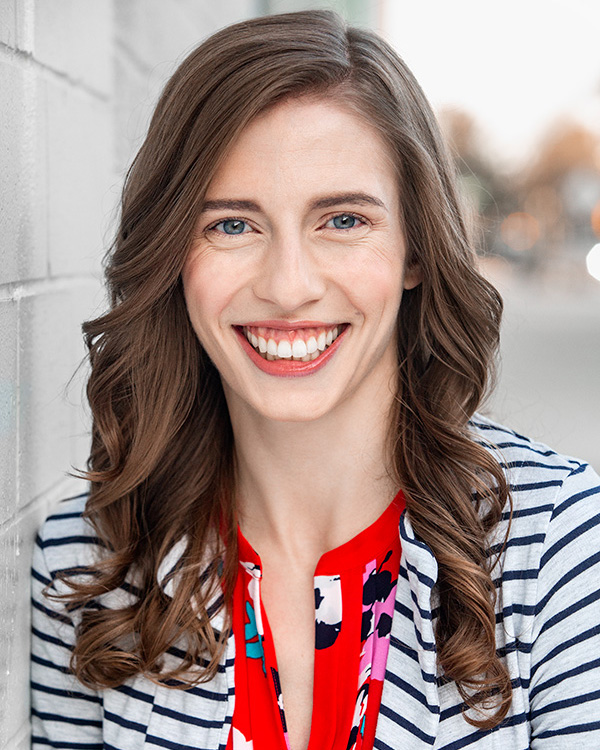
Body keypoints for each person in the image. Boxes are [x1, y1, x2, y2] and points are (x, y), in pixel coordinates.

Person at [30, 10, 600, 750]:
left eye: (343, 221)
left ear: (414, 251)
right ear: (173, 255)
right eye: (231, 225)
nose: (289, 286)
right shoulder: (88, 564)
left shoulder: (560, 550)